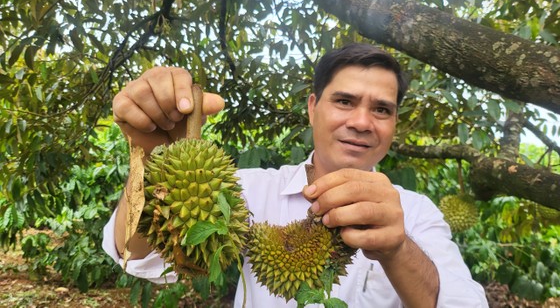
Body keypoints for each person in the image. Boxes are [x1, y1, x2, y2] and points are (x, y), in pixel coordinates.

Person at [102, 43, 489, 307]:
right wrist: (150, 161)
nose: (361, 122)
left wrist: (398, 248)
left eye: (382, 110)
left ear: (394, 123)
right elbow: (139, 259)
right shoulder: (245, 191)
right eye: (344, 101)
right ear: (312, 108)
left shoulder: (417, 213)